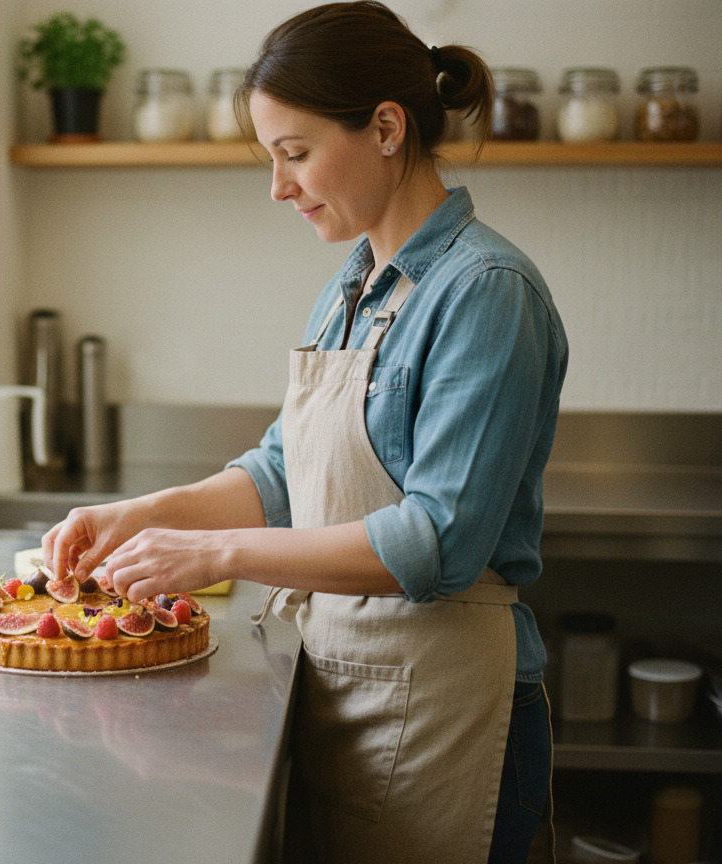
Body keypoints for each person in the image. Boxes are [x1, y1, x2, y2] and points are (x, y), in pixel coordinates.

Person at [41, 3, 568, 862]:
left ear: (387, 128)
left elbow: (438, 542)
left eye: (295, 154)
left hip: (455, 709)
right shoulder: (354, 286)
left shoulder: (487, 292)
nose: (279, 186)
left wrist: (219, 555)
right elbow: (283, 471)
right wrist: (137, 515)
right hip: (352, 684)